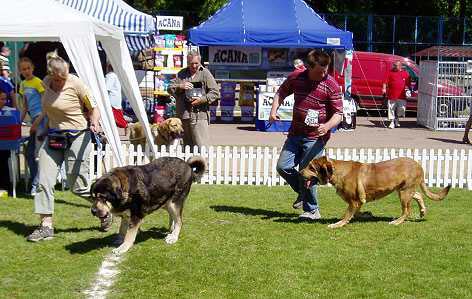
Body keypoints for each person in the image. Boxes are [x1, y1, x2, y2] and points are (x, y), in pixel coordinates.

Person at [26, 52, 108, 242]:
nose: (63, 81)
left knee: (77, 186)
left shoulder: (76, 84)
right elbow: (48, 108)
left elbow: (94, 108)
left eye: (65, 77)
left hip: (78, 136)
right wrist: (39, 124)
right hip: (54, 136)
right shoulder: (45, 82)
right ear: (52, 75)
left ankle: (105, 207)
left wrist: (94, 123)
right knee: (44, 182)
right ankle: (46, 226)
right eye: (59, 78)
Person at [269, 50, 343, 220]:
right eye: (320, 71)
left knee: (308, 172)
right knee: (283, 167)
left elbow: (339, 114)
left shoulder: (330, 84)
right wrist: (273, 111)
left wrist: (327, 126)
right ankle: (303, 192)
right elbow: (281, 92)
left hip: (316, 138)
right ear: (309, 67)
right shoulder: (296, 77)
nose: (324, 74)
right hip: (295, 134)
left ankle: (312, 210)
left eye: (326, 70)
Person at [168, 50, 220, 148]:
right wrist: (180, 86)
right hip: (184, 116)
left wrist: (202, 100)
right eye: (191, 64)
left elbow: (215, 92)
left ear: (200, 62)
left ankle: (205, 163)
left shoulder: (205, 73)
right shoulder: (181, 73)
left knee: (202, 146)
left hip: (200, 116)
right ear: (187, 63)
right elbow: (169, 88)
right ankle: (188, 164)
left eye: (196, 63)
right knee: (187, 147)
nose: (194, 66)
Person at [18, 57, 46, 195]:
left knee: (37, 154)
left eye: (28, 68)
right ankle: (36, 181)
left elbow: (45, 105)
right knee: (29, 154)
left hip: (42, 119)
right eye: (23, 69)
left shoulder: (38, 82)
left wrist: (36, 123)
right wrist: (18, 122)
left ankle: (36, 186)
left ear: (33, 68)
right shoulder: (22, 84)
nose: (26, 71)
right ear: (20, 71)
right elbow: (25, 107)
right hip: (34, 120)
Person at [382, 61, 411, 129]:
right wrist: (384, 89)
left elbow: (408, 84)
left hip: (402, 95)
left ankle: (397, 118)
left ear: (400, 66)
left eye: (396, 65)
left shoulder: (405, 73)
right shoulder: (390, 72)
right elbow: (385, 82)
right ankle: (392, 122)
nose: (394, 66)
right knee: (391, 109)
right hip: (392, 95)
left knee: (402, 109)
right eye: (394, 65)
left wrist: (409, 90)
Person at [105, 63, 127, 128]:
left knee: (117, 119)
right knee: (117, 117)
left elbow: (106, 88)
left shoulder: (110, 76)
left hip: (111, 100)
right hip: (115, 99)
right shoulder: (116, 76)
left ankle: (127, 126)